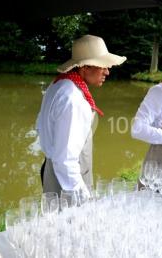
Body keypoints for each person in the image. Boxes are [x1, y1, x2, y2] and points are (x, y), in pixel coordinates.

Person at [36, 34, 126, 197]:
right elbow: (65, 161)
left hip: (52, 170)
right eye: (103, 66)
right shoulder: (74, 100)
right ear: (85, 67)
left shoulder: (58, 84)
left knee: (52, 219)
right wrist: (83, 197)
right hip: (67, 185)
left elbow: (40, 126)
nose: (107, 71)